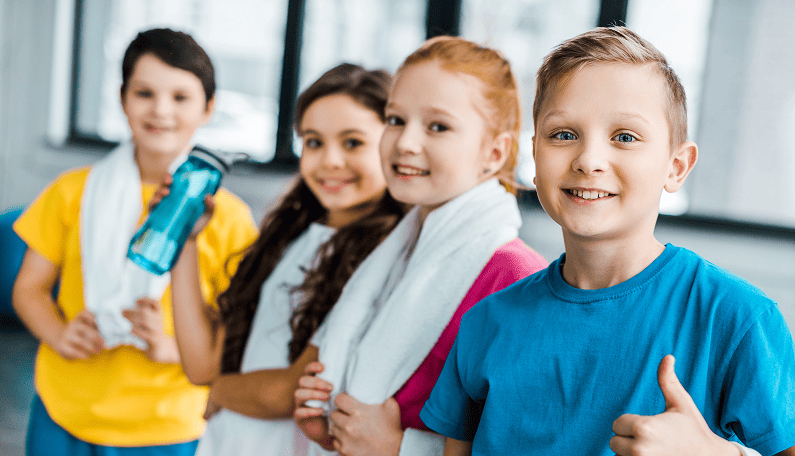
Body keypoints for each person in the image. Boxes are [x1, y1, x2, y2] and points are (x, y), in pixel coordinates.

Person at [420, 26, 795, 456]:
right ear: (535, 156)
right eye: (564, 134)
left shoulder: (737, 319)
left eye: (625, 137)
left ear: (676, 167)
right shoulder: (485, 323)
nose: (589, 160)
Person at [293, 36, 549, 456]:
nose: (405, 143)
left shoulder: (519, 280)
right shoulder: (392, 253)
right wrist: (331, 424)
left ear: (494, 151)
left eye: (437, 126)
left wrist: (399, 447)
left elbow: (527, 446)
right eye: (395, 120)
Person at [11, 28, 258, 455]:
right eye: (145, 93)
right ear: (123, 99)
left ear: (208, 108)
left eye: (180, 97)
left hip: (169, 426)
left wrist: (176, 348)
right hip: (65, 411)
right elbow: (29, 289)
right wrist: (58, 333)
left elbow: (240, 329)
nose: (161, 110)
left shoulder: (228, 217)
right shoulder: (70, 192)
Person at [165, 63, 406, 456]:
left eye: (352, 143)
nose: (330, 160)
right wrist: (186, 242)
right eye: (313, 142)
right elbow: (202, 365)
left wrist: (220, 391)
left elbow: (287, 392)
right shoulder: (289, 237)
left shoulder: (386, 256)